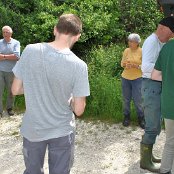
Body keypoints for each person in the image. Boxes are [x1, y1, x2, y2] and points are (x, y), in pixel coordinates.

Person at [11, 13, 90, 174]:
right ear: (77, 37)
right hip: (62, 130)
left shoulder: (30, 50)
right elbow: (79, 110)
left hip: (33, 129)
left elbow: (15, 90)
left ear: (55, 30)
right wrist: (70, 100)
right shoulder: (79, 65)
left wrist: (35, 86)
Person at [140, 16, 174, 173]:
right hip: (151, 85)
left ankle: (150, 156)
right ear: (162, 28)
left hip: (157, 85)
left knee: (157, 123)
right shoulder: (151, 41)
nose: (170, 36)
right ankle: (145, 162)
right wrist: (166, 67)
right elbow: (145, 66)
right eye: (169, 33)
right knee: (152, 125)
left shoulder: (159, 42)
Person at [152, 39, 174, 174]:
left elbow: (155, 75)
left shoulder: (167, 47)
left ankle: (165, 170)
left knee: (170, 141)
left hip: (169, 102)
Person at [121, 33, 145, 129]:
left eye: (131, 41)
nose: (129, 43)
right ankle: (126, 117)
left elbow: (145, 66)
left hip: (138, 79)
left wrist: (136, 66)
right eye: (129, 41)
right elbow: (122, 63)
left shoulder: (142, 51)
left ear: (137, 42)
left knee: (138, 100)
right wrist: (125, 65)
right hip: (125, 78)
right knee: (126, 99)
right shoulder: (126, 50)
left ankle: (141, 118)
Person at [0, 26, 20, 117]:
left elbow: (16, 56)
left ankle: (9, 108)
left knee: (11, 91)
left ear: (11, 33)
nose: (5, 34)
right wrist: (9, 56)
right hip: (0, 70)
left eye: (7, 32)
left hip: (12, 71)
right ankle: (0, 111)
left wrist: (3, 57)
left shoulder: (16, 42)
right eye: (3, 32)